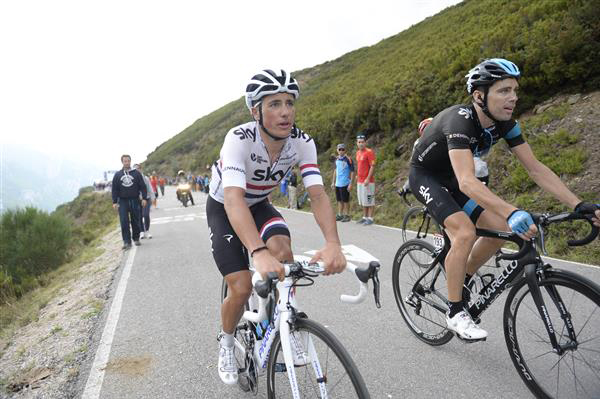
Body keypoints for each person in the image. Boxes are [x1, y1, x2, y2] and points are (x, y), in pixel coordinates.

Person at [408, 58, 600, 341]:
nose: (513, 97)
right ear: (479, 95)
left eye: (515, 90)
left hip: (456, 176)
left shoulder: (505, 124)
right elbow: (467, 181)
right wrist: (512, 210)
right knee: (464, 232)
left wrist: (578, 204)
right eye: (504, 90)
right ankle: (455, 311)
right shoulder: (460, 120)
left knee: (500, 232)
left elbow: (535, 169)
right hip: (427, 177)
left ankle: (462, 278)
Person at [207, 69, 346, 385]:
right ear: (255, 110)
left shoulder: (302, 142)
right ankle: (227, 343)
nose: (285, 111)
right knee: (241, 286)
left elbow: (317, 194)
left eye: (289, 103)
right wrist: (256, 251)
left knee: (283, 252)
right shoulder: (238, 139)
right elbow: (233, 199)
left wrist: (332, 242)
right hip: (225, 206)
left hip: (258, 205)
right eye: (274, 104)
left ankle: (283, 320)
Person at [111, 155, 147, 249]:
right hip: (122, 201)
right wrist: (114, 202)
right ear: (122, 162)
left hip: (135, 200)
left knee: (135, 220)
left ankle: (136, 238)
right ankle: (126, 242)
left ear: (130, 161)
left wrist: (144, 198)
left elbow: (142, 186)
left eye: (128, 161)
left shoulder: (136, 173)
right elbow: (114, 189)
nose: (126, 163)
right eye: (125, 161)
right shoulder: (118, 175)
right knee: (124, 221)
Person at [355, 133, 376, 225]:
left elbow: (372, 166)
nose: (361, 144)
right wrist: (357, 175)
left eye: (362, 142)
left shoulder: (369, 152)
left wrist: (368, 178)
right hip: (360, 180)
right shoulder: (358, 153)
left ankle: (370, 218)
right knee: (363, 200)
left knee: (369, 199)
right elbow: (359, 165)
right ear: (357, 143)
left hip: (368, 181)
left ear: (365, 142)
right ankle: (365, 217)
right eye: (359, 142)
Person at [331, 143, 355, 222]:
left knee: (345, 200)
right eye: (339, 149)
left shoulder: (348, 159)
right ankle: (340, 214)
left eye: (343, 149)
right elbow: (335, 171)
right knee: (339, 200)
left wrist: (351, 183)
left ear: (345, 150)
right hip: (338, 183)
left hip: (345, 183)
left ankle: (347, 215)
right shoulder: (337, 159)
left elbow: (352, 172)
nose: (341, 151)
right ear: (337, 150)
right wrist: (333, 182)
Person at [135, 164, 154, 239]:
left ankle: (147, 231)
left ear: (141, 169)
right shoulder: (133, 179)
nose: (137, 170)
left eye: (138, 169)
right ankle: (141, 231)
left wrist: (153, 198)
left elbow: (150, 188)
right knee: (139, 216)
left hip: (147, 198)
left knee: (146, 215)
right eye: (136, 169)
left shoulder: (145, 178)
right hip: (137, 199)